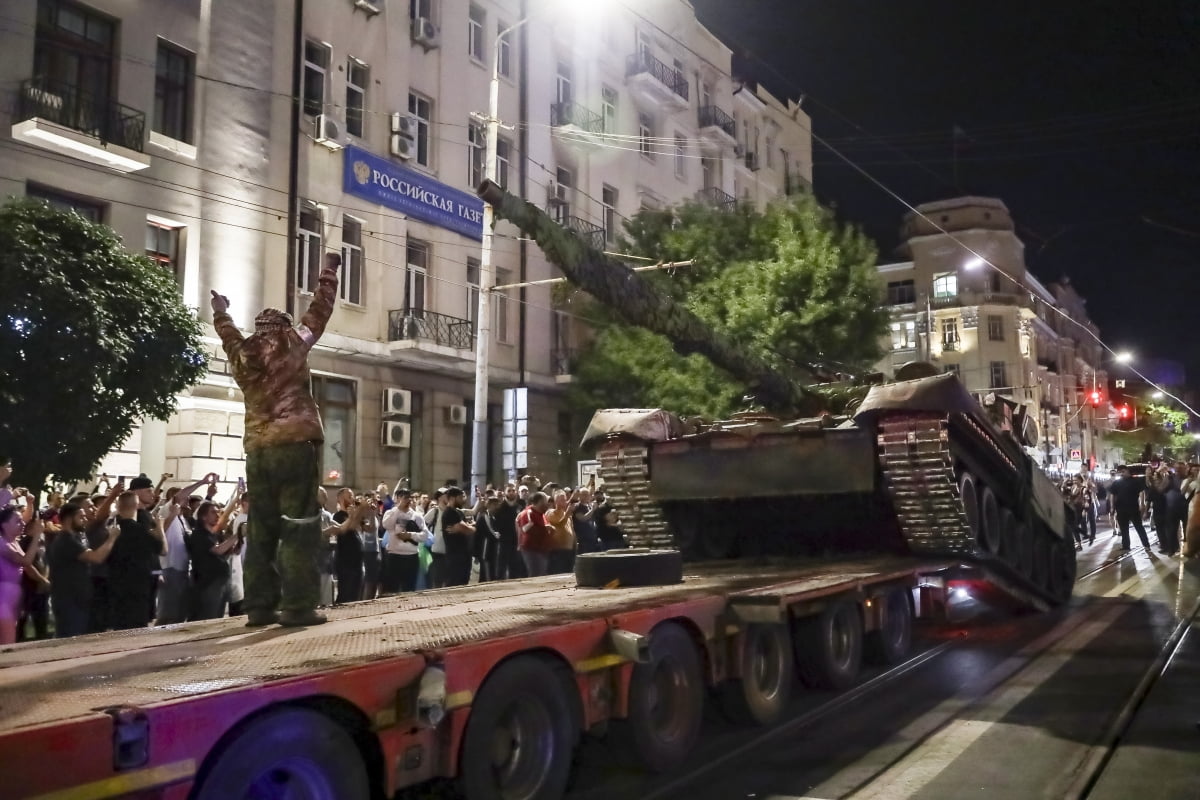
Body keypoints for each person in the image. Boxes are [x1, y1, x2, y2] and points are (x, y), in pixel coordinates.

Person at [211, 252, 340, 627]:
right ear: (282, 326)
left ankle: (260, 607)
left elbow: (228, 333)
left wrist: (221, 310)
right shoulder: (292, 341)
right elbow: (320, 311)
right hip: (294, 443)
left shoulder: (241, 352)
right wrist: (328, 271)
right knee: (299, 524)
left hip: (258, 448)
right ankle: (298, 606)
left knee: (261, 527)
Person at [47, 501, 118, 637]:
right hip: (68, 600)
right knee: (69, 639)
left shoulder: (77, 538)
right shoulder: (66, 540)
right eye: (81, 517)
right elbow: (96, 557)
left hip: (79, 598)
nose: (85, 520)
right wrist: (112, 538)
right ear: (69, 518)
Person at [106, 491, 167, 630]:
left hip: (116, 585)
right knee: (137, 628)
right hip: (139, 587)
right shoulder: (142, 531)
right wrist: (160, 527)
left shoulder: (112, 530)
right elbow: (163, 550)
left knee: (119, 627)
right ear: (136, 505)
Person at [188, 496, 242, 619]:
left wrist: (235, 546)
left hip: (220, 582)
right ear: (203, 516)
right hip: (208, 584)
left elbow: (224, 553)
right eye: (213, 512)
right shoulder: (199, 535)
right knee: (207, 616)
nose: (217, 515)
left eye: (218, 512)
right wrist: (237, 535)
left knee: (217, 616)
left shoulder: (214, 535)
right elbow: (217, 550)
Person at [1, 506, 44, 644]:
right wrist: (37, 535)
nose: (23, 523)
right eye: (18, 521)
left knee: (9, 637)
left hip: (13, 595)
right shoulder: (2, 543)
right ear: (4, 524)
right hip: (3, 596)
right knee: (7, 640)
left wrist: (43, 580)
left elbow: (28, 568)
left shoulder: (14, 542)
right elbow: (25, 561)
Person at [380, 490, 431, 593]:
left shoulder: (417, 516)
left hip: (411, 556)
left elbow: (425, 535)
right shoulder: (390, 512)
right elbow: (386, 525)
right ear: (398, 498)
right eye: (404, 497)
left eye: (409, 497)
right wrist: (398, 509)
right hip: (394, 556)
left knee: (409, 588)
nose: (407, 500)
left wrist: (410, 535)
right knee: (391, 589)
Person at [1111, 465, 1151, 551]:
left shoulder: (1135, 481)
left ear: (1127, 471)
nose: (1121, 474)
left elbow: (1141, 492)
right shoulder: (1116, 483)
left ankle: (1146, 544)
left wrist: (1142, 503)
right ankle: (1126, 545)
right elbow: (1113, 495)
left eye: (1123, 472)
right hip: (1121, 508)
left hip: (1133, 508)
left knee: (1139, 527)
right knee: (1124, 528)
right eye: (1120, 472)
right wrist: (1112, 507)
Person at [440, 487, 475, 586]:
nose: (463, 499)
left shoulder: (458, 512)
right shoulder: (450, 513)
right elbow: (466, 529)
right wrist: (471, 528)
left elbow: (465, 527)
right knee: (454, 583)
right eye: (460, 497)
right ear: (452, 498)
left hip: (463, 555)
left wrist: (468, 527)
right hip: (455, 556)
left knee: (463, 583)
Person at [517, 492, 553, 577]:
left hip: (542, 549)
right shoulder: (528, 513)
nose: (547, 504)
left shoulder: (542, 514)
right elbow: (525, 529)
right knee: (535, 574)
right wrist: (544, 529)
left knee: (541, 573)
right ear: (540, 501)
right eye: (545, 501)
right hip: (531, 549)